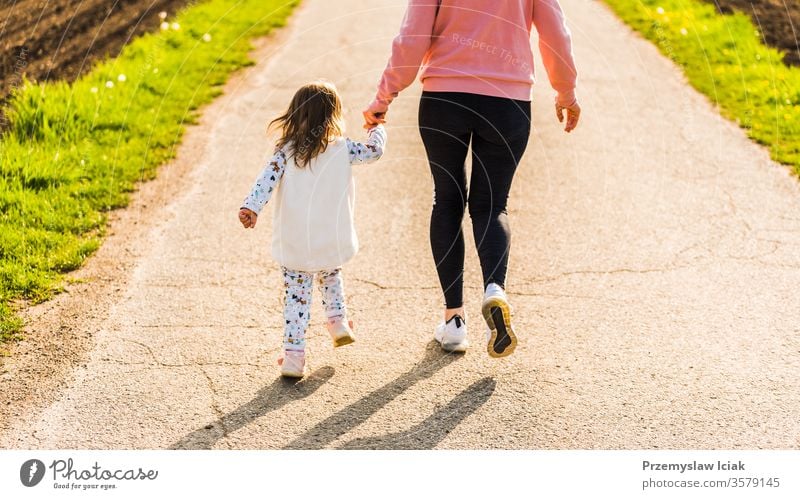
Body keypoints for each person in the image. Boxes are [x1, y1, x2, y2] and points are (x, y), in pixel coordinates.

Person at [364, 0, 580, 358]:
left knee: (447, 200)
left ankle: (454, 323)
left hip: (444, 99)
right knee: (492, 205)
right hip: (508, 103)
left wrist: (384, 95)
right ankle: (495, 288)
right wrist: (566, 91)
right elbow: (555, 33)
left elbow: (412, 36)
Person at [240, 80, 387, 377]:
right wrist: (377, 127)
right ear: (333, 117)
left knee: (297, 296)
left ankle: (294, 357)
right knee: (331, 276)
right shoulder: (343, 149)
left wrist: (251, 207)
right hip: (330, 238)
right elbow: (374, 151)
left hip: (295, 241)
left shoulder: (286, 151)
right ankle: (338, 323)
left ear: (295, 115)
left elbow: (264, 182)